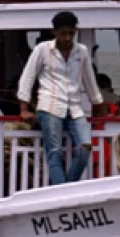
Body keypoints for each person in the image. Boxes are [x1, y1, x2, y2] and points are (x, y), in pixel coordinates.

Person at [17, 11, 104, 185]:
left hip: (74, 107)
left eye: (71, 33)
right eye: (63, 33)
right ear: (54, 32)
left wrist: (99, 104)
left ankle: (65, 187)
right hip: (49, 105)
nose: (67, 38)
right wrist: (24, 108)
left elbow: (89, 80)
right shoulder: (42, 50)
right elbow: (28, 77)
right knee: (54, 151)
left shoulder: (82, 51)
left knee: (85, 148)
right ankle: (63, 189)